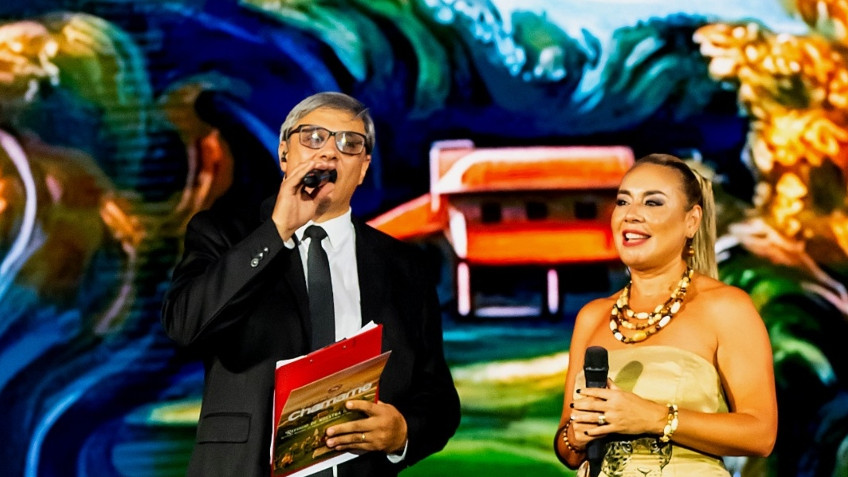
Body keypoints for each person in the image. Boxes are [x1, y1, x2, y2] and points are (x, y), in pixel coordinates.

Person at [161, 91, 460, 477]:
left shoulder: (404, 267)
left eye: (349, 144)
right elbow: (185, 325)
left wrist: (402, 431)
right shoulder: (222, 234)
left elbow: (437, 398)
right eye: (314, 138)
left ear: (364, 168)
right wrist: (277, 230)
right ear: (284, 154)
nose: (329, 153)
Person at [554, 154, 778, 476]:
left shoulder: (726, 307)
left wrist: (655, 418)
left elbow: (760, 434)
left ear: (692, 221)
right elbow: (568, 449)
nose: (631, 214)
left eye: (653, 203)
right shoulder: (592, 316)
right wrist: (577, 435)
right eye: (623, 201)